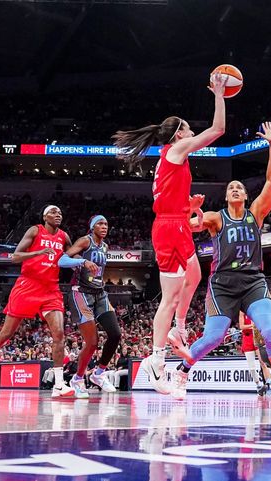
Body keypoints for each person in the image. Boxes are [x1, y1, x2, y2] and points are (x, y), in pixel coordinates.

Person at [112, 73, 228, 394]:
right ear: (179, 134)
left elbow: (170, 206)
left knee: (194, 274)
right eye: (188, 128)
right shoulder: (177, 150)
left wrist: (187, 209)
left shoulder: (170, 159)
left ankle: (178, 330)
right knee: (170, 298)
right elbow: (218, 130)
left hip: (174, 223)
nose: (192, 131)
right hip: (168, 229)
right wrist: (219, 94)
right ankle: (157, 358)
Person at [170, 122, 271, 404]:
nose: (236, 189)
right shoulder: (217, 217)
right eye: (231, 187)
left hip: (253, 282)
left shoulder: (256, 214)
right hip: (223, 284)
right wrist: (191, 210)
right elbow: (192, 226)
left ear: (246, 195)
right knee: (213, 338)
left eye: (240, 187)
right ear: (227, 196)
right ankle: (181, 373)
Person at [0, 206, 74, 397]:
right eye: (54, 212)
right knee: (6, 333)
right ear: (44, 217)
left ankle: (59, 384)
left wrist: (86, 261)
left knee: (59, 334)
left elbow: (72, 255)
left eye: (60, 213)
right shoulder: (35, 230)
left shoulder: (64, 237)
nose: (58, 215)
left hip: (51, 289)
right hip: (27, 286)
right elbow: (16, 256)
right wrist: (38, 252)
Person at [58, 215, 120, 398]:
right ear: (92, 227)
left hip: (100, 293)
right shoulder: (86, 241)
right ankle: (77, 379)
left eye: (106, 223)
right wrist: (82, 261)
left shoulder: (105, 246)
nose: (104, 226)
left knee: (115, 334)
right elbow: (62, 261)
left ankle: (99, 373)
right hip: (81, 292)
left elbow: (98, 271)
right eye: (100, 223)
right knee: (92, 343)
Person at [239, 312, 267, 395]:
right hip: (247, 339)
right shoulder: (242, 313)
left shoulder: (255, 311)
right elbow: (241, 326)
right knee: (252, 367)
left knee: (263, 363)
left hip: (257, 337)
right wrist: (253, 326)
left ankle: (268, 384)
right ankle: (258, 384)